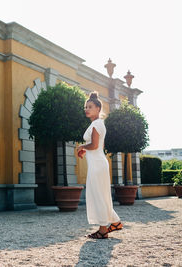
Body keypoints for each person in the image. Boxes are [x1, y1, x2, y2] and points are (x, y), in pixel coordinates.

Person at [76, 91, 123, 239]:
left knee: (98, 195)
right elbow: (96, 146)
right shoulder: (97, 124)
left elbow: (95, 145)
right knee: (100, 195)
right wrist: (85, 149)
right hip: (97, 163)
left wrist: (81, 147)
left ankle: (103, 230)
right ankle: (115, 222)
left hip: (97, 165)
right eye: (86, 107)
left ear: (98, 109)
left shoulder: (96, 124)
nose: (87, 109)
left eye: (90, 106)